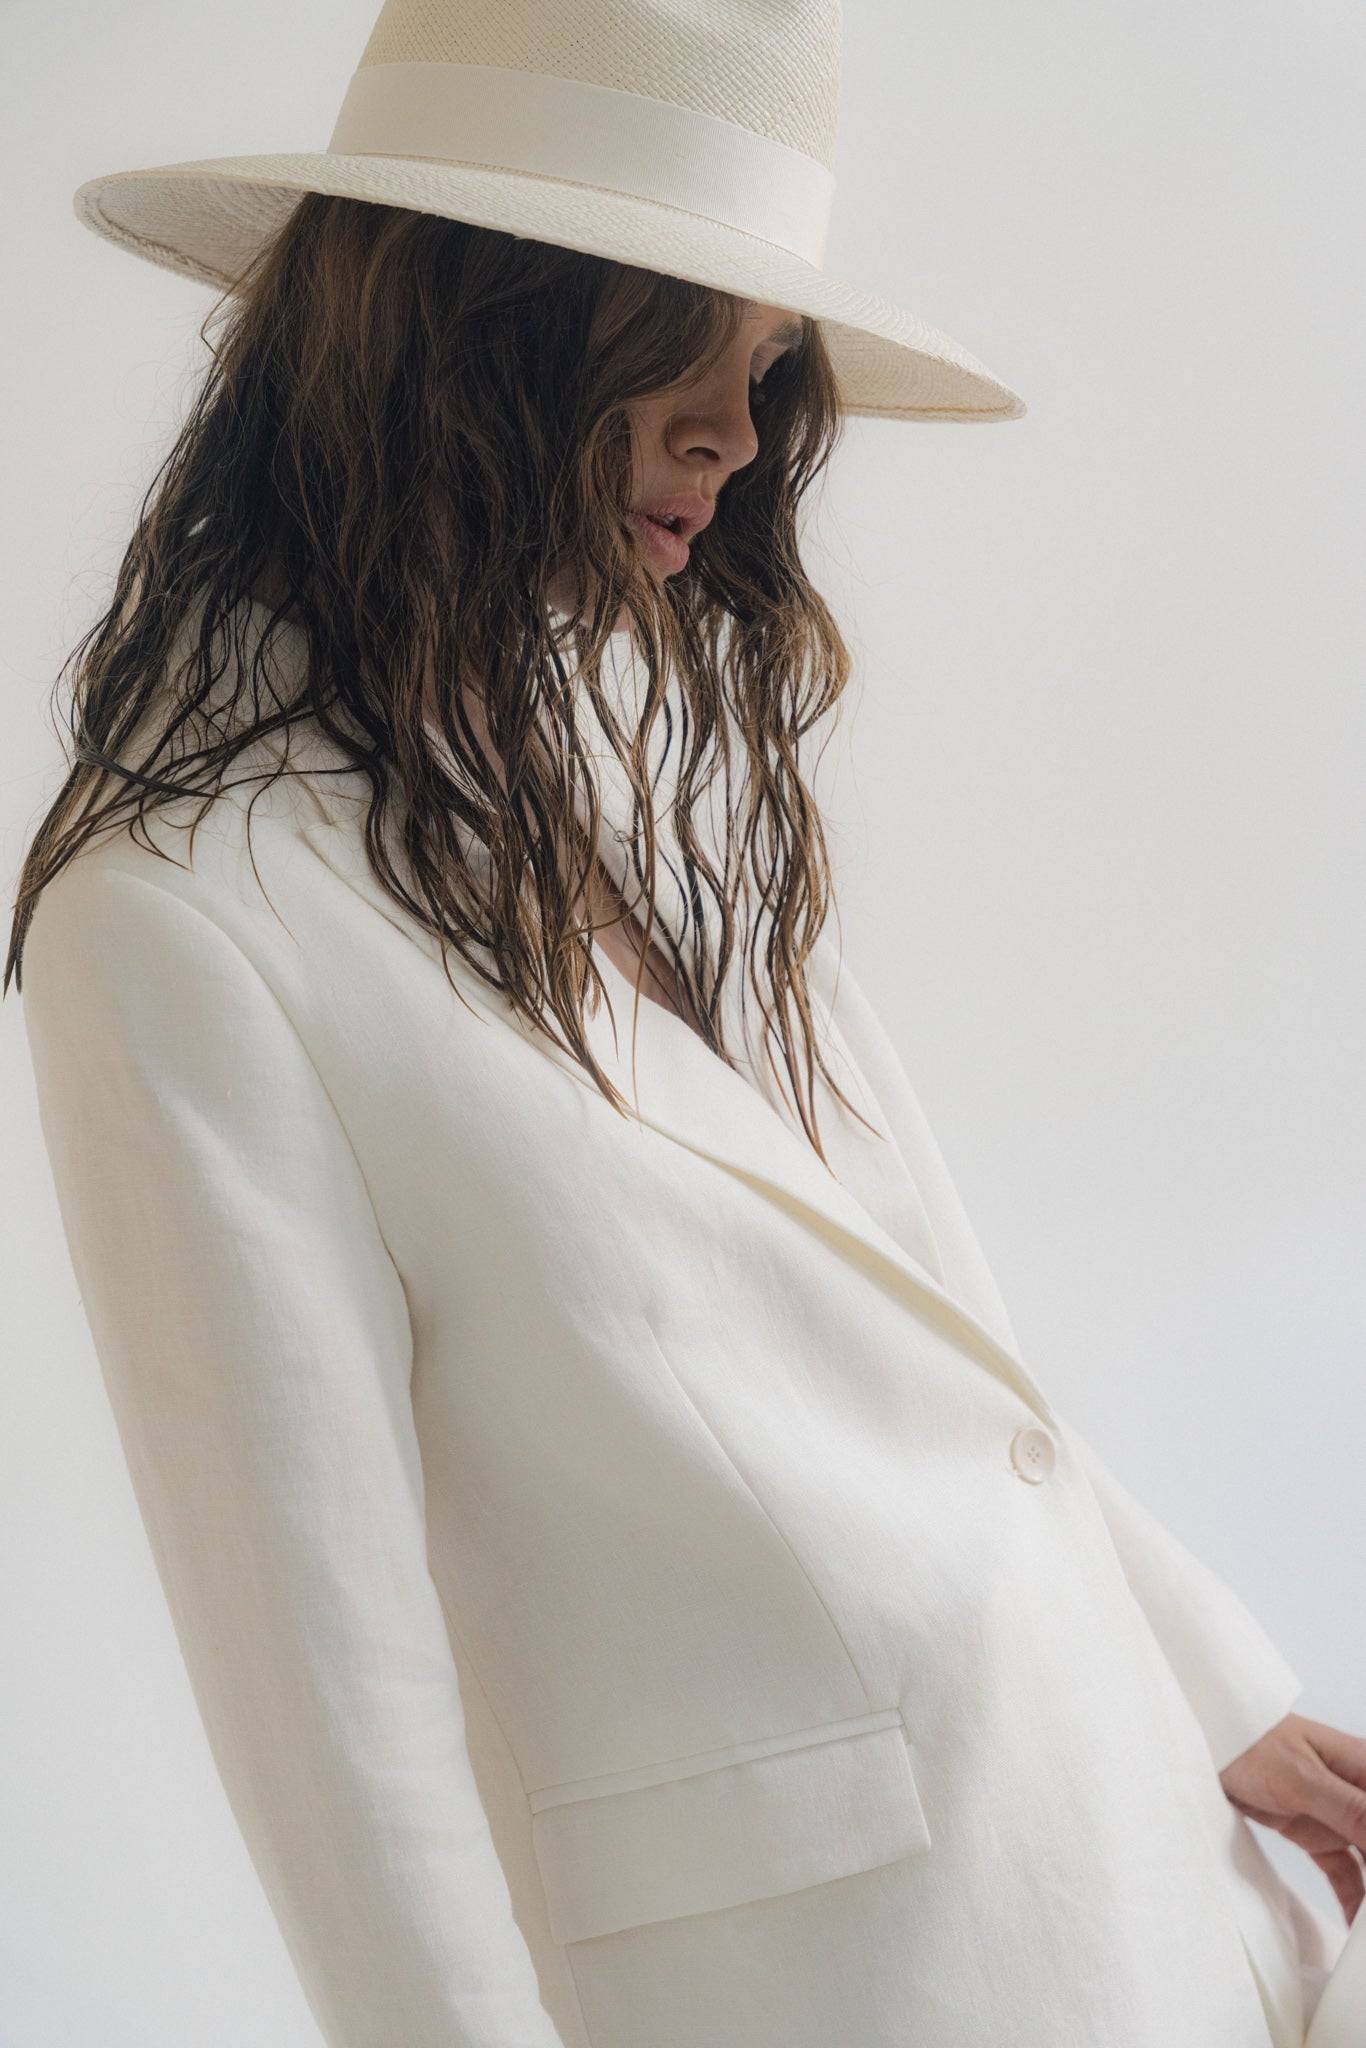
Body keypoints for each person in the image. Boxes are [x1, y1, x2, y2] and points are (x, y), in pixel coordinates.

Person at [9, 2, 1360, 2044]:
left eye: (761, 366)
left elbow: (932, 1331)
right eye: (676, 350)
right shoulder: (184, 924)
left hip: (1132, 1858)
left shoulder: (661, 754)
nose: (737, 436)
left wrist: (1208, 1677)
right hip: (828, 1987)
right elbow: (330, 1699)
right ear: (466, 331)